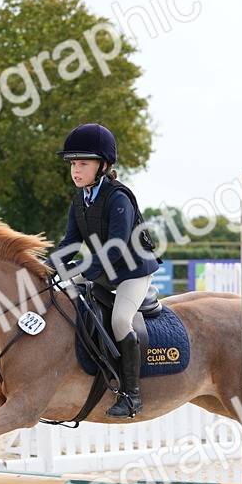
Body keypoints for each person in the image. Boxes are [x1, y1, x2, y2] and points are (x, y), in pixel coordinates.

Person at [49, 123, 159, 418]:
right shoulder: (79, 199)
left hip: (132, 271)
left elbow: (116, 247)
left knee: (121, 319)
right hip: (103, 270)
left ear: (104, 165)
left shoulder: (118, 197)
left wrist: (79, 271)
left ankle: (132, 395)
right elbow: (70, 243)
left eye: (83, 163)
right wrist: (47, 266)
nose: (76, 169)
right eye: (73, 163)